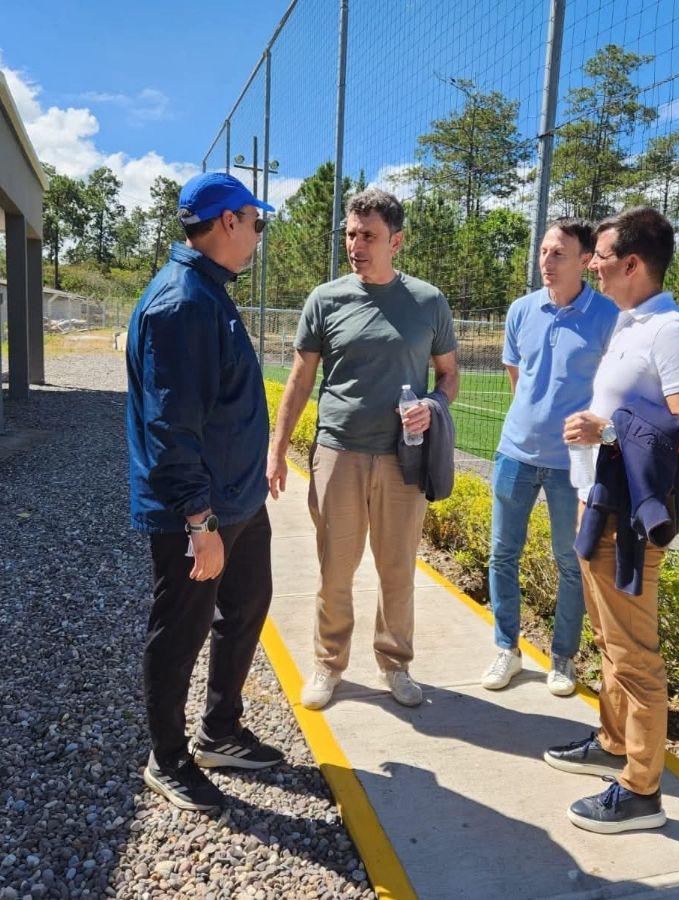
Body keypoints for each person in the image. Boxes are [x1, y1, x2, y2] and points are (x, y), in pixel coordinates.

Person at [545, 207, 679, 834]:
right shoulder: (629, 322)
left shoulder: (670, 331)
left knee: (635, 655)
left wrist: (608, 427)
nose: (591, 263)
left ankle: (642, 791)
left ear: (633, 264)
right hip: (599, 505)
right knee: (611, 644)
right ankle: (614, 744)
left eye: (601, 255)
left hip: (629, 521)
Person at [125, 172, 284, 812]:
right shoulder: (183, 304)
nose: (258, 234)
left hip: (238, 501)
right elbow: (171, 425)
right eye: (256, 222)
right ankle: (168, 758)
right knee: (179, 629)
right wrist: (198, 520)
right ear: (227, 222)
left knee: (245, 608)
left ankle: (220, 730)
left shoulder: (209, 292)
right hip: (204, 510)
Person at [267, 188, 460, 711]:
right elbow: (301, 378)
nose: (355, 244)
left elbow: (448, 375)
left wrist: (433, 405)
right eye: (350, 234)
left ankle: (395, 664)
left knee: (397, 569)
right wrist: (277, 445)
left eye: (367, 235)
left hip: (404, 457)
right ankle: (329, 665)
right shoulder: (325, 299)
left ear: (395, 241)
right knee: (335, 568)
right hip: (338, 453)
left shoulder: (427, 302)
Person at [480, 218, 618, 696]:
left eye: (558, 253)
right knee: (502, 554)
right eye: (543, 251)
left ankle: (562, 658)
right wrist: (533, 420)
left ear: (585, 260)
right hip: (514, 453)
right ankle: (507, 650)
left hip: (573, 463)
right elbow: (518, 377)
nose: (546, 261)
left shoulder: (608, 316)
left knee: (569, 560)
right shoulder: (521, 310)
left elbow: (616, 388)